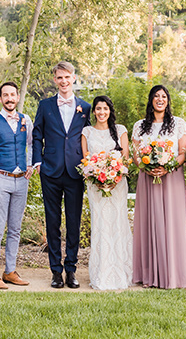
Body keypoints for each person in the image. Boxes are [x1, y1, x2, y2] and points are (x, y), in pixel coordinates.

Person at [33, 61, 90, 289]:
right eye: (59, 78)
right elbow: (37, 134)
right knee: (53, 222)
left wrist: (90, 165)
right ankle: (55, 272)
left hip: (76, 171)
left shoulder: (85, 107)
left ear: (73, 78)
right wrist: (38, 161)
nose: (64, 81)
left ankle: (71, 270)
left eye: (67, 77)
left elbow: (89, 137)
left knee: (74, 223)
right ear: (54, 80)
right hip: (51, 170)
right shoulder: (45, 105)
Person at [131, 84, 186, 289]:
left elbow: (184, 153)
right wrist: (146, 167)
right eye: (156, 96)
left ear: (168, 100)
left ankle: (173, 274)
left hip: (172, 179)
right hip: (147, 180)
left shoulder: (178, 124)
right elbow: (136, 156)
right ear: (151, 100)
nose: (160, 99)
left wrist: (168, 166)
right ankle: (150, 274)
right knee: (150, 222)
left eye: (163, 96)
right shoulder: (140, 126)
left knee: (172, 223)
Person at [0, 81, 34, 290]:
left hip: (21, 180)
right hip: (0, 178)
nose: (10, 98)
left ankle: (10, 271)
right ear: (0, 99)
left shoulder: (25, 120)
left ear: (18, 97)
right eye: (5, 95)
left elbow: (29, 144)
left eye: (13, 94)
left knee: (15, 228)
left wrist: (30, 165)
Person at [81, 95, 132, 290]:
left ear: (110, 110)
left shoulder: (120, 131)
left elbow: (125, 161)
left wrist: (113, 179)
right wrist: (98, 179)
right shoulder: (87, 132)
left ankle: (120, 272)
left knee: (118, 225)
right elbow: (86, 162)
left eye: (105, 108)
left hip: (117, 186)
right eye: (98, 109)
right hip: (96, 188)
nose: (102, 112)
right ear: (93, 111)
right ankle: (101, 273)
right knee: (101, 225)